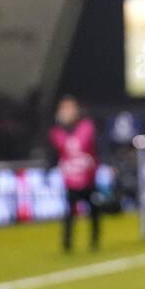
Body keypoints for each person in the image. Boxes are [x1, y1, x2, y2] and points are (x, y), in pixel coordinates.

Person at [48, 96, 101, 252]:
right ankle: (67, 243)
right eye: (64, 108)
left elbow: (97, 148)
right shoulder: (57, 132)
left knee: (94, 209)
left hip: (89, 177)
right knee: (70, 211)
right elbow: (53, 154)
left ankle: (94, 241)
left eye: (69, 108)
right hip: (70, 179)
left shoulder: (87, 127)